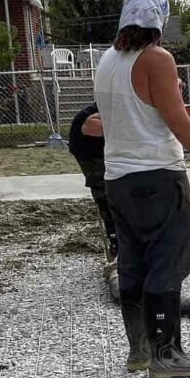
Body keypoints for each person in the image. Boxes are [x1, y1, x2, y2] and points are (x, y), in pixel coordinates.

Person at [94, 0, 190, 378]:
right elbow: (179, 123)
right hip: (157, 176)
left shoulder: (107, 60)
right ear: (158, 23)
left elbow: (136, 110)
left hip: (117, 180)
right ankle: (167, 355)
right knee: (166, 261)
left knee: (132, 263)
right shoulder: (156, 59)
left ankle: (140, 351)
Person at [68, 101, 118, 267]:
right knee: (106, 195)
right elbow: (89, 126)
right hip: (90, 152)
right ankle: (116, 243)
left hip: (101, 149)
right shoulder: (108, 108)